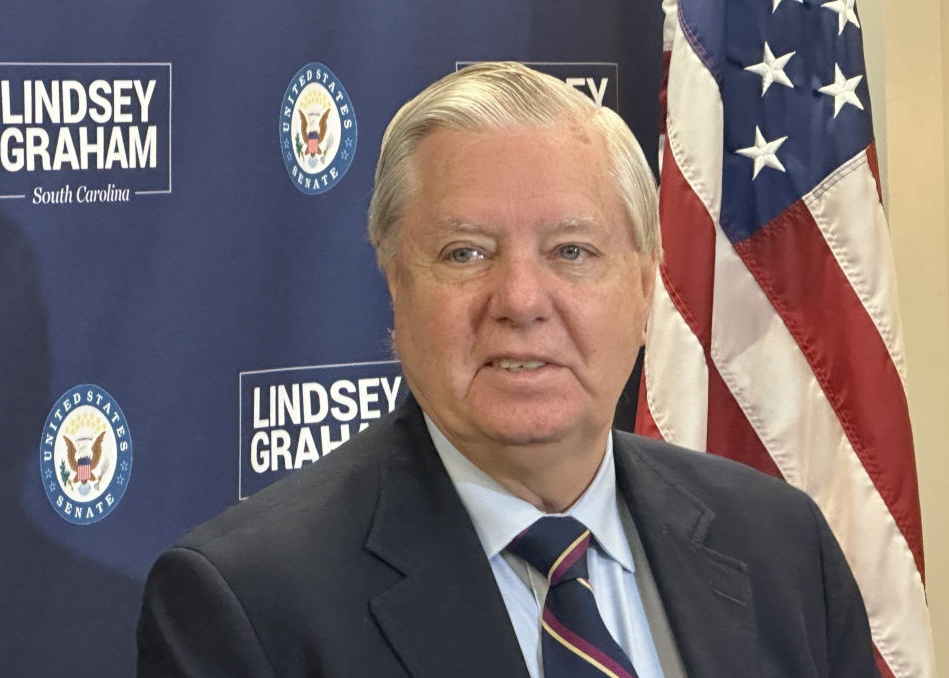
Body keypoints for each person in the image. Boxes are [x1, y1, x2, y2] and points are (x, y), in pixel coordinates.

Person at [137, 62, 878, 677]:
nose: (521, 301)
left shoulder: (784, 549)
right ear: (395, 281)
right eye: (465, 253)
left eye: (571, 251)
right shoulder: (247, 604)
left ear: (644, 283)